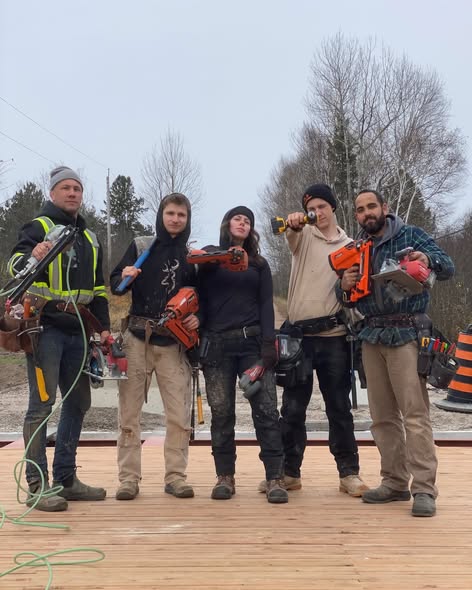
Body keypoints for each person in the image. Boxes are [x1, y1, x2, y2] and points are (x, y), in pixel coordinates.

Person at [340, 189, 455, 517]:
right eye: (360, 209)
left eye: (371, 206)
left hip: (406, 333)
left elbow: (447, 267)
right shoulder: (356, 247)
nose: (366, 213)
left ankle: (424, 489)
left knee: (415, 415)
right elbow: (345, 297)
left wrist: (426, 259)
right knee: (382, 417)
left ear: (385, 208)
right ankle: (394, 482)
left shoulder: (411, 235)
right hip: (370, 335)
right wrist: (343, 286)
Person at [8, 166, 110, 512]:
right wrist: (31, 256)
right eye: (65, 188)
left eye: (77, 188)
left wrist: (104, 328)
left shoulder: (90, 238)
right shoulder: (38, 227)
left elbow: (99, 290)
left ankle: (66, 479)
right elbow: (14, 266)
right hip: (45, 330)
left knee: (79, 402)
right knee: (41, 405)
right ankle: (38, 485)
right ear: (52, 193)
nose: (72, 193)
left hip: (79, 331)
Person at [261, 183, 368, 497]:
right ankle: (289, 473)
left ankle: (349, 474)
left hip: (335, 337)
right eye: (311, 209)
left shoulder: (351, 245)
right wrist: (295, 222)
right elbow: (291, 232)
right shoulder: (303, 235)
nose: (317, 213)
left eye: (322, 206)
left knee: (339, 408)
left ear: (333, 207)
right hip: (299, 339)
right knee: (293, 410)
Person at [110, 193, 199, 501]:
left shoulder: (192, 255)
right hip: (137, 339)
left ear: (187, 219)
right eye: (170, 213)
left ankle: (175, 477)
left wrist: (198, 318)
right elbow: (115, 285)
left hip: (174, 344)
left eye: (181, 215)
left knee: (178, 416)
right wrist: (124, 276)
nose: (175, 219)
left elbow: (204, 298)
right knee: (129, 414)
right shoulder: (141, 246)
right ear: (161, 215)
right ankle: (128, 479)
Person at [198, 206, 288, 504]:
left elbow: (265, 305)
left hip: (252, 345)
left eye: (247, 220)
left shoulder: (259, 264)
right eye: (237, 218)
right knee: (221, 413)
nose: (242, 223)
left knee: (266, 411)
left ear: (251, 229)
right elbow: (199, 298)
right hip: (216, 345)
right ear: (227, 224)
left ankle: (275, 477)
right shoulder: (209, 259)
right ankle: (225, 476)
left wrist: (269, 345)